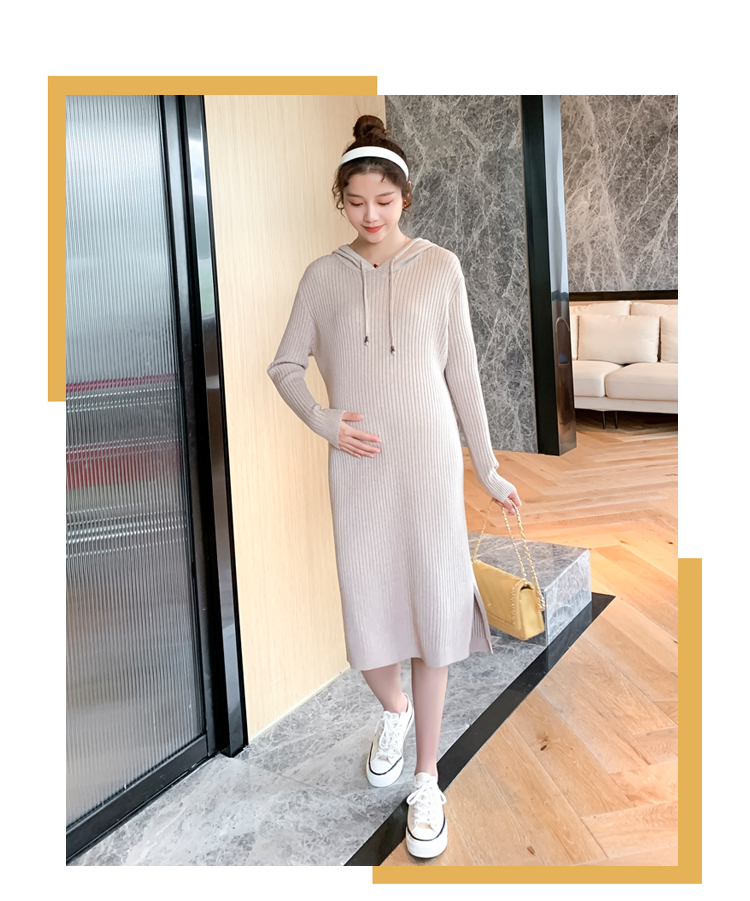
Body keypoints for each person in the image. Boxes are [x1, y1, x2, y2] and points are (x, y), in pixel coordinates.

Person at [267, 114, 522, 859]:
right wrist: (324, 420)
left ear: (404, 196)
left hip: (429, 464)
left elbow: (463, 374)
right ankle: (395, 709)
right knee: (368, 612)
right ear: (341, 202)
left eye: (383, 200)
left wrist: (487, 466)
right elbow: (284, 366)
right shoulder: (322, 277)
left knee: (432, 611)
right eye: (356, 202)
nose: (370, 214)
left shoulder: (441, 267)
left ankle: (426, 779)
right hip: (360, 466)